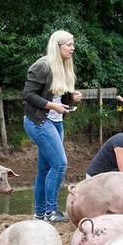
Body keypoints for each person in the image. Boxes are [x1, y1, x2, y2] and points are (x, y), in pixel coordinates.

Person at [23, 30, 83, 222]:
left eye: (73, 45)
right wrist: (52, 106)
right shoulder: (41, 66)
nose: (73, 48)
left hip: (56, 121)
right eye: (69, 45)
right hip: (38, 121)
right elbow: (29, 95)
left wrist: (73, 98)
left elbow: (58, 95)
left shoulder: (65, 65)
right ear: (57, 46)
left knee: (45, 169)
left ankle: (39, 214)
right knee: (59, 164)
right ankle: (51, 211)